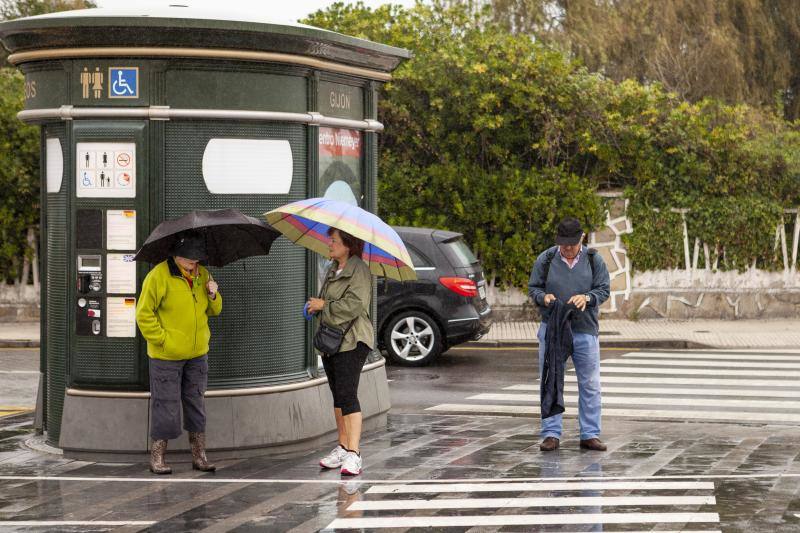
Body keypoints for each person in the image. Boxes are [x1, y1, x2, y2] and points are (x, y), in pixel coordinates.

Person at [135, 231, 222, 474]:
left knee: (196, 402)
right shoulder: (158, 276)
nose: (195, 265)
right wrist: (163, 341)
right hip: (166, 356)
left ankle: (199, 455)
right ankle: (158, 456)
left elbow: (215, 310)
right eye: (191, 260)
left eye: (197, 260)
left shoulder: (203, 274)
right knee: (166, 404)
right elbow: (144, 314)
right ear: (177, 257)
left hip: (197, 354)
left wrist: (213, 294)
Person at [528, 217, 610, 452]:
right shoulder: (546, 258)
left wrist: (587, 298)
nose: (567, 248)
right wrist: (543, 298)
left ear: (581, 238)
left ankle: (590, 434)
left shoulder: (594, 259)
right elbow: (534, 287)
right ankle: (551, 434)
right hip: (552, 329)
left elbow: (603, 289)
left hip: (584, 329)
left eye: (571, 244)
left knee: (590, 383)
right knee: (551, 379)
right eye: (563, 244)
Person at [306, 228, 374, 476]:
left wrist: (324, 305)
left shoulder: (360, 271)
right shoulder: (334, 270)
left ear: (348, 244)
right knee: (337, 396)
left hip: (353, 340)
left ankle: (354, 454)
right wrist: (317, 306)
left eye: (334, 240)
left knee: (347, 394)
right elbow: (330, 302)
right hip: (333, 340)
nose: (329, 244)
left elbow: (355, 305)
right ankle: (343, 447)